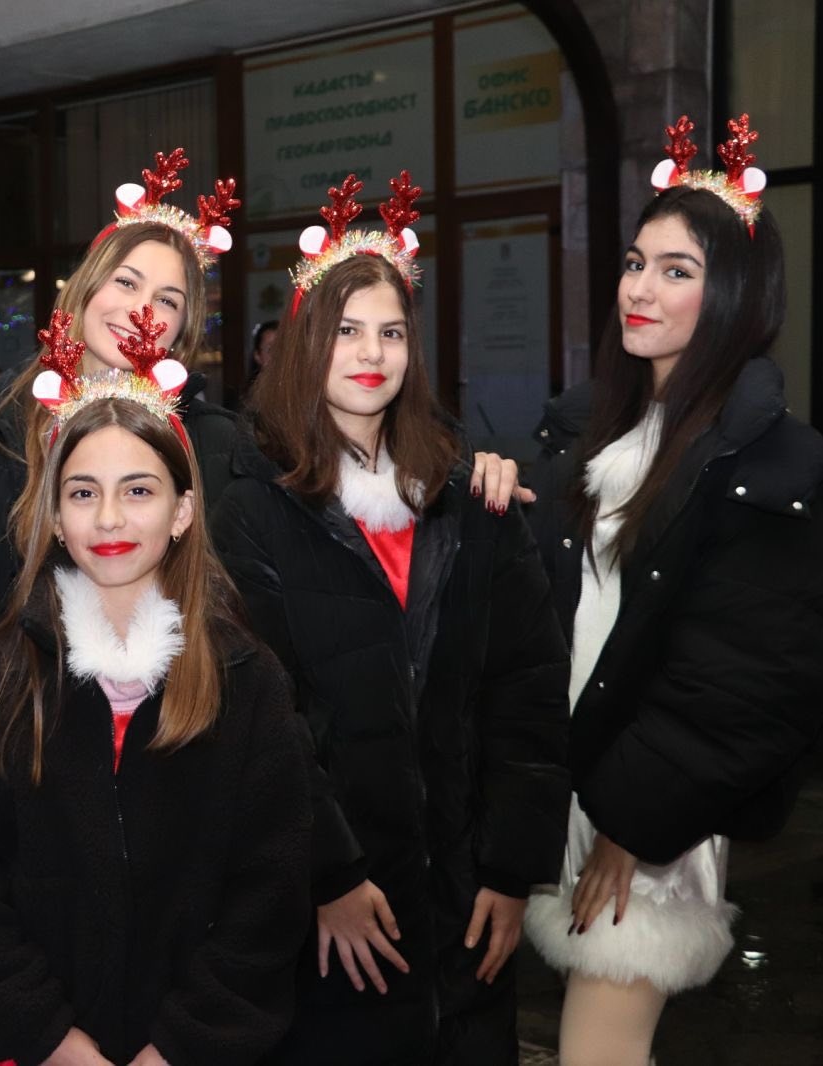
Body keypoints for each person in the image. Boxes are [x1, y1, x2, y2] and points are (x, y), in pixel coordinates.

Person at [521, 115, 823, 1066]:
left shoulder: (773, 472)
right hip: (579, 793)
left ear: (735, 296)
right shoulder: (600, 437)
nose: (640, 288)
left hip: (647, 817)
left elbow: (745, 684)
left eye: (677, 270)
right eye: (637, 262)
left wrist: (634, 827)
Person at [212, 172, 571, 1065]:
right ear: (305, 343)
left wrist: (510, 869)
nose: (371, 352)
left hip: (465, 899)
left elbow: (526, 694)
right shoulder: (253, 506)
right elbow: (262, 717)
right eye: (346, 330)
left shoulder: (468, 500)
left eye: (391, 331)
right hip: (330, 909)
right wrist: (328, 876)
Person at [0, 314, 315, 1066]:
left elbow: (271, 892)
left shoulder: (246, 680)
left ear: (182, 511)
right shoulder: (0, 678)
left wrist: (182, 1045)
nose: (110, 518)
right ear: (56, 517)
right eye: (83, 492)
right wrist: (51, 1038)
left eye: (139, 490)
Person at [0, 147, 245, 623]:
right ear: (85, 288)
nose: (141, 311)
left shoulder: (219, 447)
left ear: (181, 330)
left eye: (167, 300)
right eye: (126, 283)